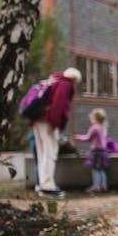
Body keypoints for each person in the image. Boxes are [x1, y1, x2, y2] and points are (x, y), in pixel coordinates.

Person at [30, 67, 82, 199]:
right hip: (48, 121)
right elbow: (58, 105)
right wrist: (54, 124)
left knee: (42, 153)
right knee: (50, 153)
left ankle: (42, 185)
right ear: (75, 79)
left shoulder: (53, 80)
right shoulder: (65, 84)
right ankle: (48, 187)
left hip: (38, 120)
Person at [73, 108, 110, 193]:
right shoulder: (103, 128)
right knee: (101, 169)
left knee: (95, 169)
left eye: (92, 118)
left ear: (95, 119)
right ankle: (103, 186)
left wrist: (77, 137)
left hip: (96, 152)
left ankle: (96, 186)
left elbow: (88, 138)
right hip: (103, 151)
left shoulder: (94, 128)